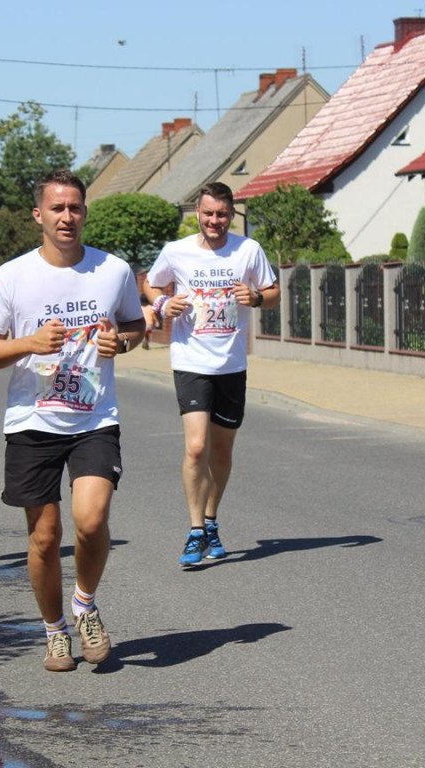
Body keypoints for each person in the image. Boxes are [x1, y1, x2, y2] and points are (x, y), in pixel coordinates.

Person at [0, 169, 145, 672]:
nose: (67, 216)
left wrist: (124, 342)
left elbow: (135, 325)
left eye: (75, 207)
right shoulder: (13, 275)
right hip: (32, 422)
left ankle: (84, 605)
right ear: (39, 215)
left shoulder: (112, 269)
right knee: (45, 537)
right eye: (57, 208)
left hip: (94, 417)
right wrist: (28, 343)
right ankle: (53, 631)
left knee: (91, 521)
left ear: (85, 212)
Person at [142, 181, 280, 568]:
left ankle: (211, 518)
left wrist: (254, 297)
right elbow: (151, 283)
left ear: (231, 215)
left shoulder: (248, 250)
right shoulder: (177, 251)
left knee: (221, 451)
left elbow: (273, 293)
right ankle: (194, 530)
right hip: (191, 361)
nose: (214, 221)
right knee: (196, 447)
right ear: (197, 215)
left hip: (231, 365)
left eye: (221, 214)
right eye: (208, 214)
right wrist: (163, 302)